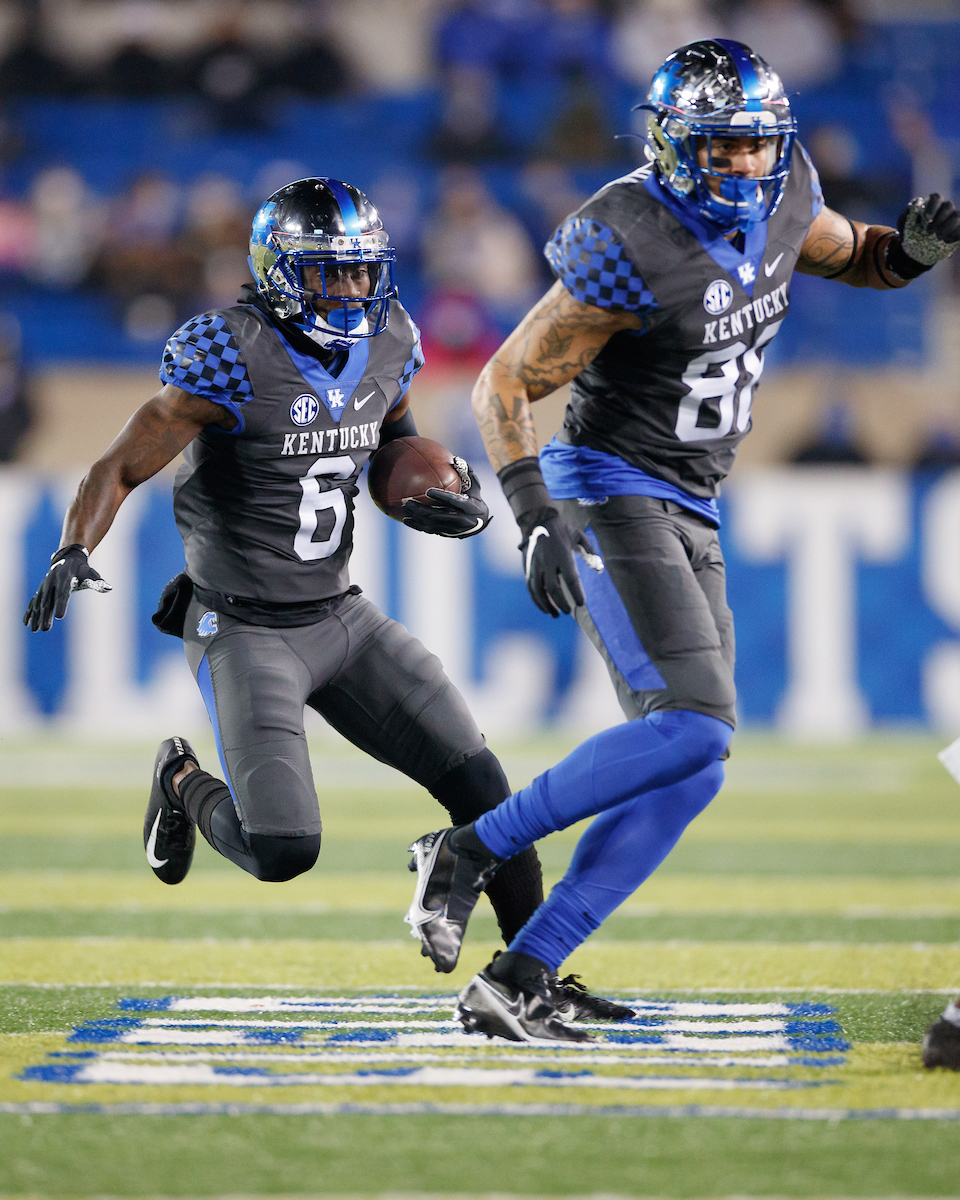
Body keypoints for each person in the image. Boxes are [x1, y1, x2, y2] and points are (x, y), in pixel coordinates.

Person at [405, 39, 960, 1043]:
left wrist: (909, 252)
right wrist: (533, 513)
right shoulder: (631, 239)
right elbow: (505, 383)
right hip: (609, 485)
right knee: (697, 726)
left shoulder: (787, 191)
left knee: (692, 763)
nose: (748, 166)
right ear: (670, 145)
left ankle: (522, 970)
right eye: (725, 147)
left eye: (759, 145)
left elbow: (851, 254)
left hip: (690, 497)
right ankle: (468, 848)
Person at [23, 176, 585, 1004]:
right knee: (283, 849)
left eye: (363, 271)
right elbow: (119, 462)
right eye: (332, 271)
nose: (355, 289)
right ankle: (180, 782)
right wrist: (73, 546)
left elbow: (393, 435)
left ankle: (532, 980)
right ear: (279, 271)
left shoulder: (391, 335)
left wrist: (427, 483)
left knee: (485, 788)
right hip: (244, 627)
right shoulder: (230, 351)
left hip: (341, 617)